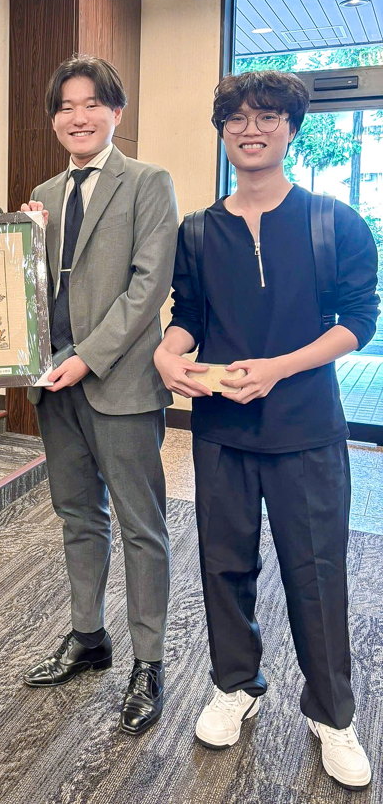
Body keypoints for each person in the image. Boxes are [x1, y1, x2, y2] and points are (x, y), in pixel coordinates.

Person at [154, 71, 378, 791]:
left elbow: (359, 321)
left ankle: (333, 713)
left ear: (291, 129)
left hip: (306, 428)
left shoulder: (333, 221)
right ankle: (236, 686)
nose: (252, 129)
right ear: (222, 131)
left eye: (268, 117)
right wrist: (167, 353)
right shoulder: (198, 230)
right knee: (222, 564)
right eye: (238, 119)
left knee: (316, 571)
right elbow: (189, 314)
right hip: (221, 427)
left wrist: (280, 368)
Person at [20, 54, 178, 736]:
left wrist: (87, 356)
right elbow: (33, 288)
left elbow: (149, 286)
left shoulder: (147, 182)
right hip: (55, 384)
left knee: (141, 526)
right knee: (78, 516)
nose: (77, 117)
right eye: (65, 106)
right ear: (54, 119)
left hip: (120, 381)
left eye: (91, 104)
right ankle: (88, 636)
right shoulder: (44, 193)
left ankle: (149, 661)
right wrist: (22, 243)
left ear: (116, 112)